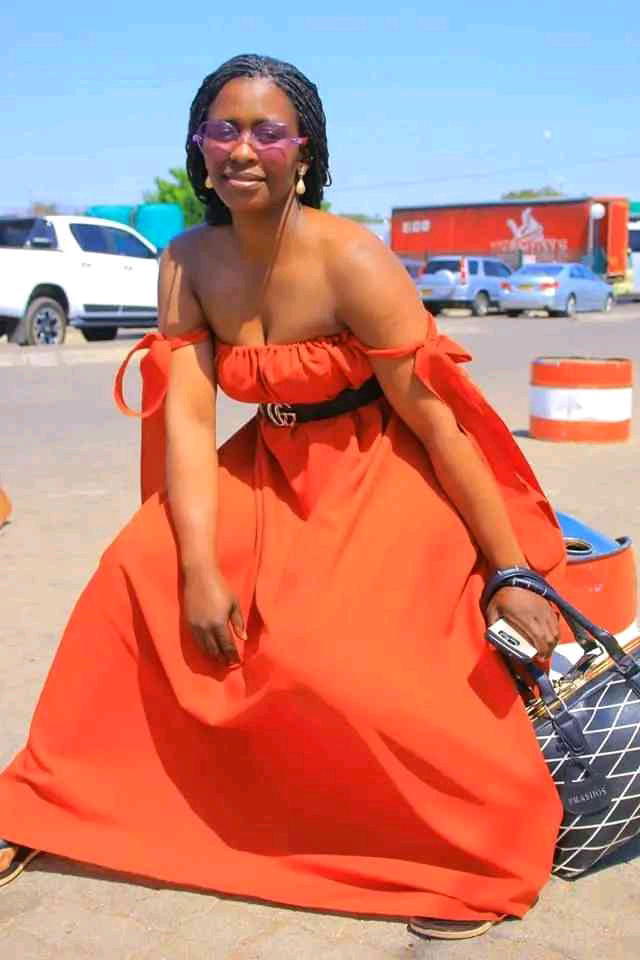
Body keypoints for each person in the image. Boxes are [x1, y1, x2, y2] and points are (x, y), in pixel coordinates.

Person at [0, 54, 566, 941]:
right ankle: (54, 799)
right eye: (223, 130)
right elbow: (191, 421)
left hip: (383, 465)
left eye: (268, 132)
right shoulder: (186, 261)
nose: (243, 150)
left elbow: (438, 421)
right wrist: (196, 566)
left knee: (336, 654)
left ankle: (468, 851)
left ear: (306, 151)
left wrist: (510, 570)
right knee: (132, 574)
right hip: (268, 460)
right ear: (198, 146)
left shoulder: (353, 258)